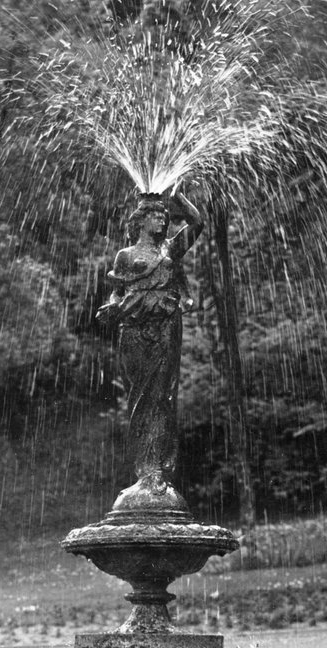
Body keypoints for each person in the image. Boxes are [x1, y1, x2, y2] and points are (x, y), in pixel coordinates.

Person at [96, 191, 203, 492]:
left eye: (165, 216)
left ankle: (155, 468)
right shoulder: (126, 256)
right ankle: (142, 468)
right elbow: (118, 293)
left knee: (161, 395)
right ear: (140, 221)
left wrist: (179, 196)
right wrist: (110, 307)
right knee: (139, 395)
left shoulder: (171, 250)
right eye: (156, 215)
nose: (163, 220)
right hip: (133, 326)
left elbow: (198, 222)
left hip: (167, 324)